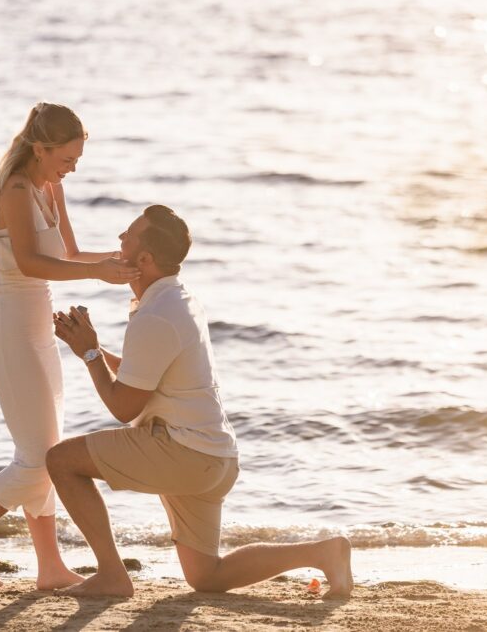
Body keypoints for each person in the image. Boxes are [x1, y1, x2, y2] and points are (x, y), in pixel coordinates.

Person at [47, 205, 353, 599]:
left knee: (62, 461)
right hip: (213, 456)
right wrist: (92, 347)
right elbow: (145, 375)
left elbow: (124, 407)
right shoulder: (176, 297)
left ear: (144, 259)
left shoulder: (156, 314)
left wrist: (89, 355)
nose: (120, 238)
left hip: (184, 452)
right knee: (206, 576)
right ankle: (325, 552)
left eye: (129, 234)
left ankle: (111, 575)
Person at [0, 103, 140, 590]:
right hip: (10, 332)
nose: (72, 167)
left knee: (46, 450)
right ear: (41, 148)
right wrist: (98, 272)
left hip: (38, 332)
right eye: (67, 158)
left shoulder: (51, 186)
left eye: (76, 159)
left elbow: (69, 254)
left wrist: (125, 262)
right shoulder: (14, 189)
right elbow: (31, 262)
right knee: (37, 459)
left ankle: (50, 568)